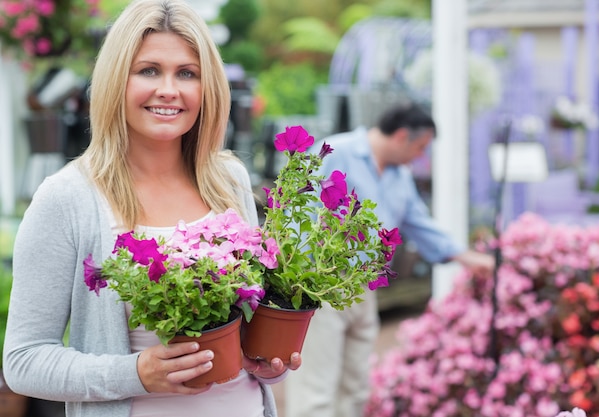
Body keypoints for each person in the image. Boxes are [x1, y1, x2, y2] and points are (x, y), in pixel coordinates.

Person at [2, 1, 300, 416]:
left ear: (206, 86)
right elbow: (24, 361)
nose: (168, 89)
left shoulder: (228, 179)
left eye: (187, 73)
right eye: (148, 70)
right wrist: (136, 373)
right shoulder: (68, 198)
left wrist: (269, 362)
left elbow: (247, 334)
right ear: (115, 81)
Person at [284, 101, 495, 417]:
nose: (421, 156)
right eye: (421, 147)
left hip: (364, 290)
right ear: (400, 136)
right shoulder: (337, 152)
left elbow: (419, 222)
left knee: (356, 389)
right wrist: (301, 282)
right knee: (317, 393)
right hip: (322, 287)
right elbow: (295, 212)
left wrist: (466, 258)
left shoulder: (399, 176)